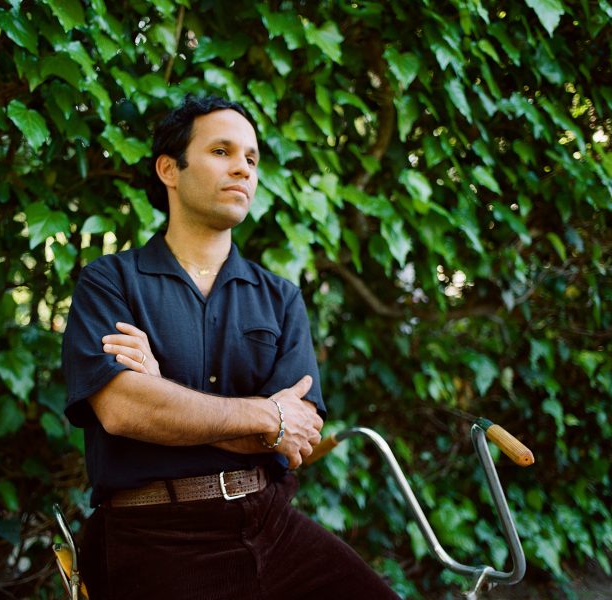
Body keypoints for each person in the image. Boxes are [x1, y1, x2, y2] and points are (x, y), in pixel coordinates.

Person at [62, 95, 399, 599]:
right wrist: (267, 416)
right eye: (222, 151)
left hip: (271, 523)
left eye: (251, 158)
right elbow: (123, 410)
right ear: (169, 169)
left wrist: (163, 391)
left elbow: (298, 437)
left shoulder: (281, 298)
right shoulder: (110, 282)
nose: (242, 168)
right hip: (157, 535)